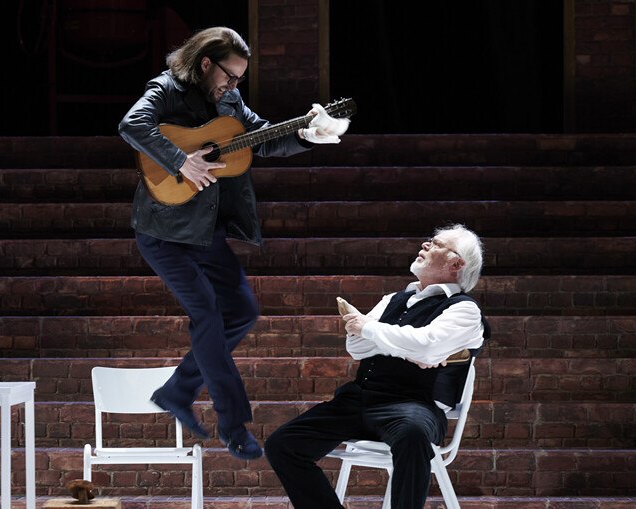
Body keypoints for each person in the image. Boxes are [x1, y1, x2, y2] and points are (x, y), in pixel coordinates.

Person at [117, 26, 349, 460]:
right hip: (163, 234)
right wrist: (180, 160)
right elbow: (132, 124)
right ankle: (233, 423)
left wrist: (305, 134)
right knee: (207, 314)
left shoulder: (229, 100)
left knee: (241, 311)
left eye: (239, 79)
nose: (234, 85)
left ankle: (176, 391)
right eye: (230, 76)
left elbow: (261, 137)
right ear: (206, 63)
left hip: (205, 233)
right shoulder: (166, 89)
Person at [265, 224, 490, 508]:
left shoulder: (463, 309)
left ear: (456, 263)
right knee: (283, 444)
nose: (424, 245)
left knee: (413, 434)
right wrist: (403, 345)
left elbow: (426, 345)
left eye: (435, 243)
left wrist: (373, 330)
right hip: (359, 400)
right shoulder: (392, 300)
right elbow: (357, 348)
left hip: (413, 406)